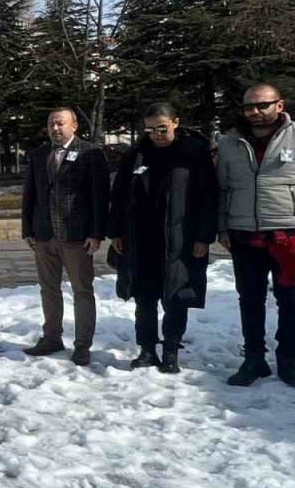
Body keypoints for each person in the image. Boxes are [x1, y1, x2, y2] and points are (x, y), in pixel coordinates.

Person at [108, 103, 217, 374]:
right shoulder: (135, 155)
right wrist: (116, 232)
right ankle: (146, 350)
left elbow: (208, 197)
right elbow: (119, 196)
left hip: (180, 239)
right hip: (140, 239)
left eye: (162, 128)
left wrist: (204, 236)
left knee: (176, 296)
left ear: (175, 123)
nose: (156, 134)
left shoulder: (194, 154)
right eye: (150, 129)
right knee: (144, 297)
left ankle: (170, 349)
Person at [216, 83, 295, 385]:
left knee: (290, 300)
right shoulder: (229, 143)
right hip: (244, 233)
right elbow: (222, 189)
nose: (256, 112)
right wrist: (222, 226)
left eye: (263, 105)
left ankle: (289, 359)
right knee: (249, 298)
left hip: (288, 233)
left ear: (279, 104)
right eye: (250, 106)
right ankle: (254, 358)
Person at [21, 107, 110, 366]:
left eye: (60, 124)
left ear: (74, 126)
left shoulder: (90, 153)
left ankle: (82, 344)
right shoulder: (39, 155)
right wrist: (28, 228)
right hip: (44, 234)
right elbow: (30, 195)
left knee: (82, 290)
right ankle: (51, 338)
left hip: (76, 235)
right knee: (48, 288)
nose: (55, 129)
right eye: (51, 124)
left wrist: (96, 233)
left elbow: (100, 196)